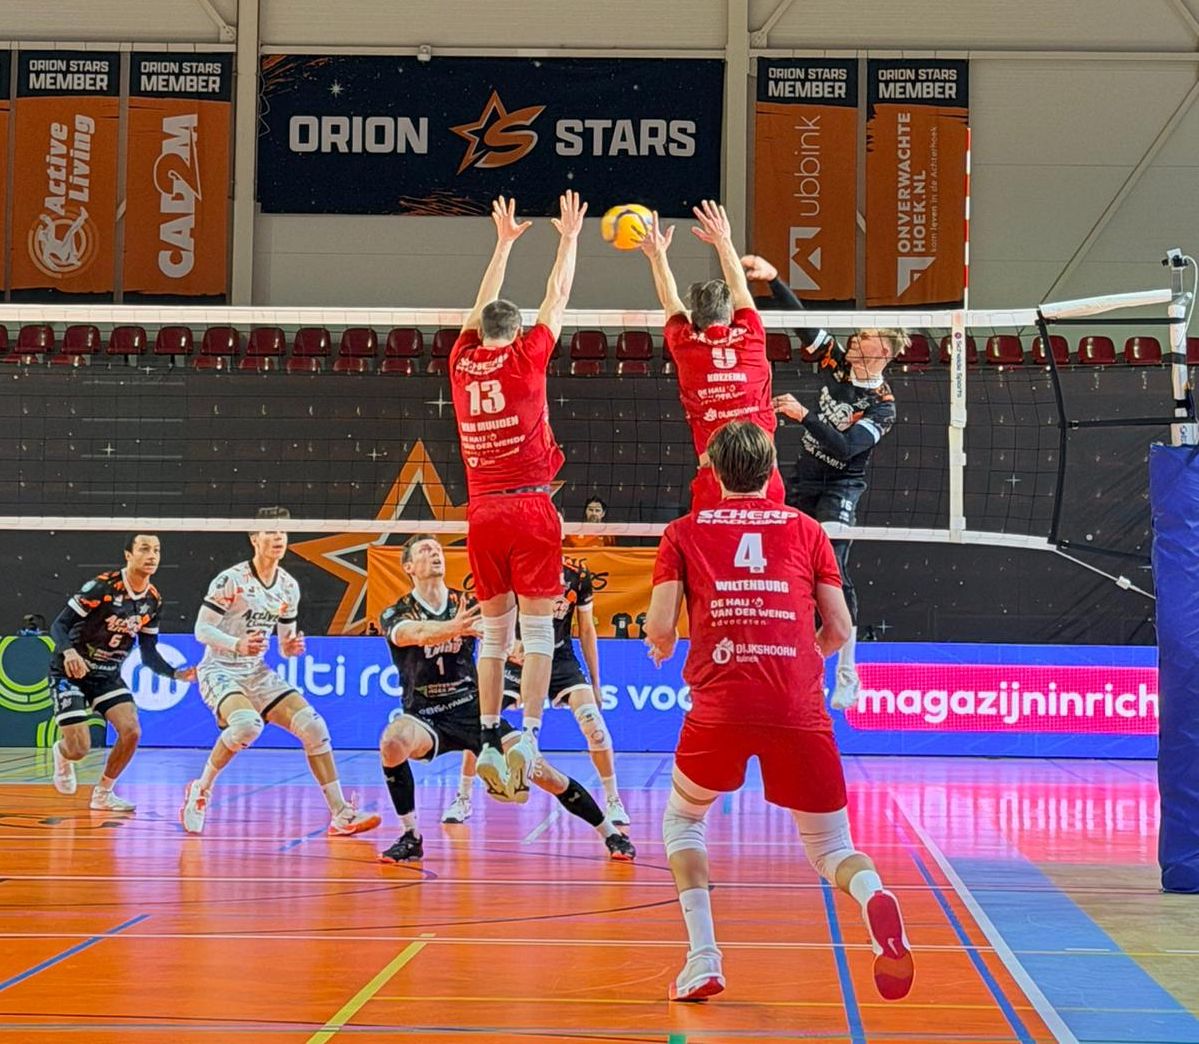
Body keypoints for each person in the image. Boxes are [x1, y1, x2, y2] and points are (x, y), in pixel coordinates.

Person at [644, 421, 913, 1003]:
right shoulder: (808, 530)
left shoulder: (682, 532)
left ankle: (703, 956)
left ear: (714, 473)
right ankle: (873, 895)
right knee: (832, 849)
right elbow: (839, 628)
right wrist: (796, 659)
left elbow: (660, 626)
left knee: (683, 821)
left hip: (721, 704)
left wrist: (661, 643)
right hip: (797, 706)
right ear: (771, 473)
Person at [376, 535, 635, 864]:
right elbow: (412, 634)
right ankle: (411, 836)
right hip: (424, 715)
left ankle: (610, 832)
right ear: (409, 566)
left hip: (473, 710)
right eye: (425, 550)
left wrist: (517, 648)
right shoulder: (396, 611)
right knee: (392, 741)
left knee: (544, 774)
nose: (435, 553)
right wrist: (454, 628)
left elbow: (499, 637)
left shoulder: (468, 603)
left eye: (438, 549)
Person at [449, 191, 585, 802]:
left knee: (493, 636)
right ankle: (527, 735)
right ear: (518, 333)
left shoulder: (460, 363)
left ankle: (486, 737)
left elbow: (479, 306)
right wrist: (569, 238)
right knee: (538, 637)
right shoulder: (528, 359)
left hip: (482, 511)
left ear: (480, 333)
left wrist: (502, 244)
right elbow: (558, 295)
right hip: (531, 507)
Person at [180, 507, 380, 836]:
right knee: (247, 726)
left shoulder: (288, 586)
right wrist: (237, 644)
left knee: (314, 728)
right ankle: (200, 790)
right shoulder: (231, 580)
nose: (278, 538)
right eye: (271, 531)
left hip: (256, 672)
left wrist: (291, 646)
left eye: (283, 532)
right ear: (254, 538)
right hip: (219, 669)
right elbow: (202, 630)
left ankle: (341, 813)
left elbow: (285, 644)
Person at [773, 325, 904, 709]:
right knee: (788, 570)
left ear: (884, 351)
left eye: (865, 336)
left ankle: (847, 674)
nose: (855, 339)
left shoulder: (882, 405)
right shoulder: (836, 361)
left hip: (840, 488)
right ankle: (790, 659)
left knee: (833, 569)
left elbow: (846, 448)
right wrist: (769, 289)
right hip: (803, 481)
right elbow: (803, 324)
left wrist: (804, 416)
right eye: (857, 334)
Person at [636, 200, 785, 513]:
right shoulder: (751, 337)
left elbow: (670, 300)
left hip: (714, 480)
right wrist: (723, 240)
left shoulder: (685, 344)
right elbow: (740, 289)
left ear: (694, 319)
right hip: (765, 479)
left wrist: (657, 255)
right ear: (730, 315)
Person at [48, 534, 195, 811]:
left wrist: (176, 674)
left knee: (131, 731)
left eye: (156, 550)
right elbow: (59, 625)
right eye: (144, 549)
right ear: (128, 555)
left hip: (107, 675)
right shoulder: (102, 586)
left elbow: (148, 652)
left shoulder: (153, 600)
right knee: (79, 749)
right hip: (71, 670)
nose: (152, 556)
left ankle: (103, 794)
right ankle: (62, 753)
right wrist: (69, 652)